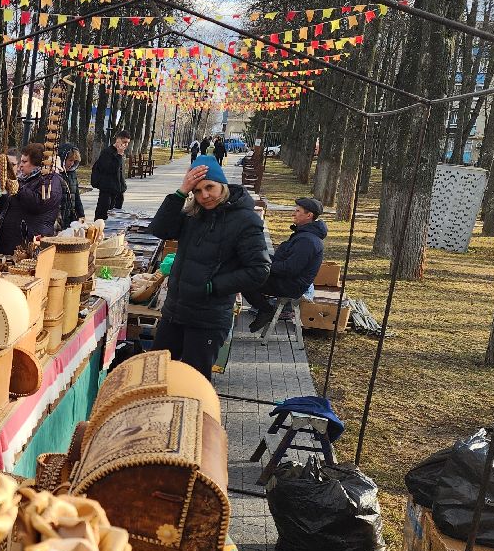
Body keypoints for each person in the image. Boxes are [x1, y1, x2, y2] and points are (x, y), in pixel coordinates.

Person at [145, 155, 270, 379]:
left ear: (222, 184)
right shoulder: (195, 214)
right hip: (175, 312)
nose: (204, 196)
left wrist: (212, 286)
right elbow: (161, 230)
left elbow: (259, 269)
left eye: (209, 187)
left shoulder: (245, 220)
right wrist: (181, 191)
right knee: (156, 375)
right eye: (197, 190)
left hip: (208, 319)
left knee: (193, 383)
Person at [243, 196, 328, 332]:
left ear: (309, 215)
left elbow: (289, 269)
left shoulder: (307, 240)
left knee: (243, 278)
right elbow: (283, 261)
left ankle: (265, 310)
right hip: (287, 279)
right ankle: (264, 308)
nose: (294, 213)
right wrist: (259, 256)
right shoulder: (303, 235)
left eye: (298, 211)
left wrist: (262, 264)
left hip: (291, 285)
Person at [0, 142, 64, 256]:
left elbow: (39, 204)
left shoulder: (51, 180)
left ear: (37, 164)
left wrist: (17, 189)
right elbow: (8, 206)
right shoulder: (24, 180)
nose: (20, 165)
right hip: (12, 245)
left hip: (29, 245)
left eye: (25, 162)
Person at [91, 130, 130, 220]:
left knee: (116, 218)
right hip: (107, 191)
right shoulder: (107, 152)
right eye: (124, 142)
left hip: (118, 192)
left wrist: (123, 187)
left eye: (127, 143)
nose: (126, 145)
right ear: (117, 140)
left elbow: (121, 173)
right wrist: (119, 155)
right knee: (102, 216)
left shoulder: (120, 153)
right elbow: (110, 169)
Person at [56, 143, 85, 228]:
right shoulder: (55, 174)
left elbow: (77, 197)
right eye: (70, 160)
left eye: (74, 161)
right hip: (59, 218)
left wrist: (81, 215)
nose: (72, 163)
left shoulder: (72, 174)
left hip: (70, 218)